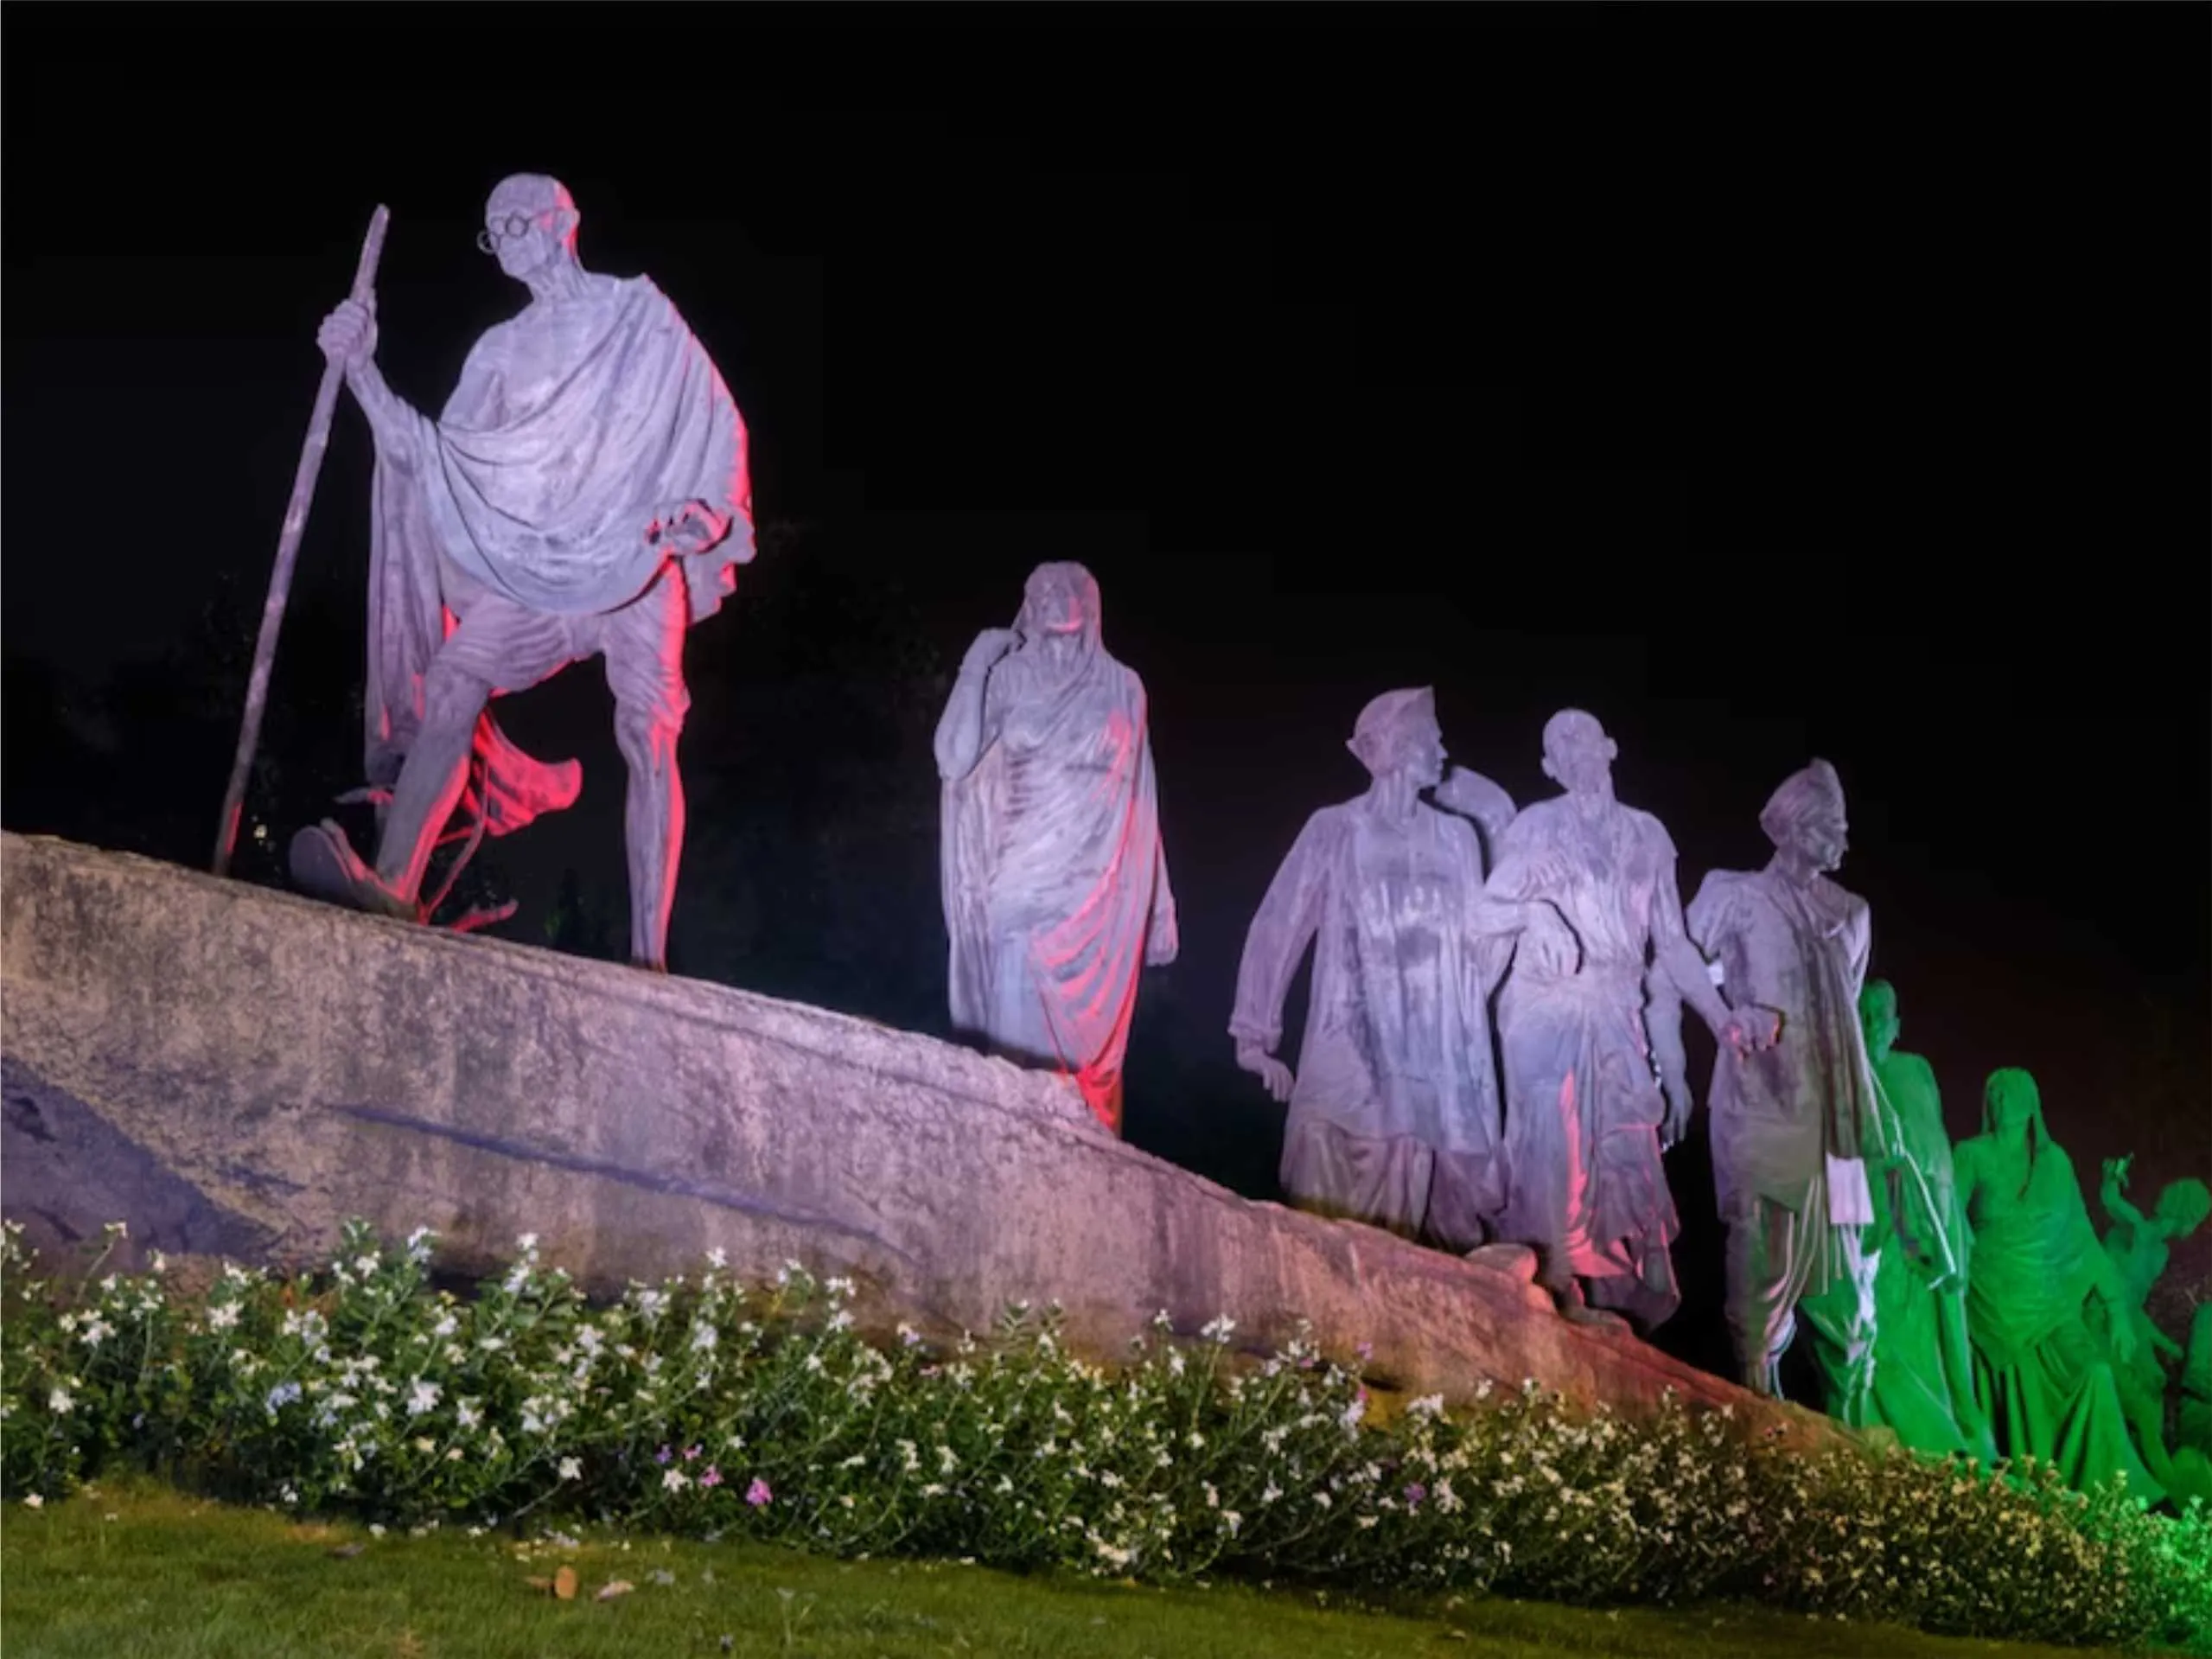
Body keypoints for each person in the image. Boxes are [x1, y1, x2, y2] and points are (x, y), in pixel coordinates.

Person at [290, 174, 753, 970]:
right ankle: (396, 883)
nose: (504, 239)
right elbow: (434, 457)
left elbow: (716, 417)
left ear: (563, 221)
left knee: (646, 735)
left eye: (516, 221)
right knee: (456, 677)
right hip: (539, 567)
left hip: (640, 556)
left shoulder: (639, 316)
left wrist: (707, 514)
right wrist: (363, 371)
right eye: (491, 231)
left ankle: (650, 959)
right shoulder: (500, 350)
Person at [1229, 687, 1578, 1247]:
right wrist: (1254, 1035)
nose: (1442, 748)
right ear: (1394, 747)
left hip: (1423, 1063)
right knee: (1315, 1191)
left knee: (1396, 1237)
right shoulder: (1335, 828)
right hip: (1345, 1040)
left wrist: (1529, 917)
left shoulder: (1457, 838)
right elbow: (1279, 923)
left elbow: (1476, 937)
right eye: (1430, 737)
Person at [1488, 709, 1777, 1330]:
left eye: (1581, 736)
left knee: (1622, 1159)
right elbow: (1486, 908)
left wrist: (1722, 1018)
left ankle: (1599, 1296)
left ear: (1609, 746)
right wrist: (1535, 917)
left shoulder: (1647, 835)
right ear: (1547, 766)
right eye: (1556, 744)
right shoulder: (1535, 826)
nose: (1571, 749)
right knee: (1556, 1143)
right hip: (1548, 1005)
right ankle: (1553, 1281)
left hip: (1617, 1012)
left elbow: (1671, 945)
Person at [934, 563, 1176, 1133]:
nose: (1052, 596)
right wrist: (975, 665)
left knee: (1090, 1077)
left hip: (1099, 898)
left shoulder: (1125, 686)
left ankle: (1083, 1181)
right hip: (1021, 880)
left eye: (1067, 586)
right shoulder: (1010, 678)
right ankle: (1008, 1157)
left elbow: (1142, 794)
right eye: (1039, 589)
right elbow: (951, 759)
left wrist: (1160, 904)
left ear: (1091, 603)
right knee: (1015, 1059)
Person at [1686, 761, 1880, 1415]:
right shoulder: (1732, 893)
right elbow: (1681, 962)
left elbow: (1844, 1007)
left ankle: (1849, 1420)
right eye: (1832, 827)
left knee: (1852, 1285)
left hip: (1838, 1117)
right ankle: (1753, 1401)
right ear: (1795, 828)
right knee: (1761, 1252)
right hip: (1761, 1101)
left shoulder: (1851, 913)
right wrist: (1725, 1013)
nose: (1843, 843)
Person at [1954, 1068, 2161, 1505]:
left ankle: (2104, 1496)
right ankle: (2032, 1495)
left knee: (2096, 1372)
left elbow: (2082, 1238)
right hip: (1992, 1305)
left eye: (2012, 1093)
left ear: (2032, 1104)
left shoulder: (2056, 1163)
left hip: (2049, 1302)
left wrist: (2117, 1310)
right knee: (2022, 1389)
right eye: (1994, 1093)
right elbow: (1945, 1221)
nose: (2001, 1100)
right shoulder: (1970, 1155)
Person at [1858, 979, 1998, 1461]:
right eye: (1866, 1013)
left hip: (1934, 1218)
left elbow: (1935, 1141)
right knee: (1892, 1330)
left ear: (1896, 1025)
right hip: (1884, 1219)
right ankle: (1920, 1439)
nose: (1875, 1024)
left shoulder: (1915, 1070)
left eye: (1883, 1015)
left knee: (1943, 1334)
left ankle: (1959, 1435)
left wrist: (1953, 1217)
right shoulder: (1850, 1078)